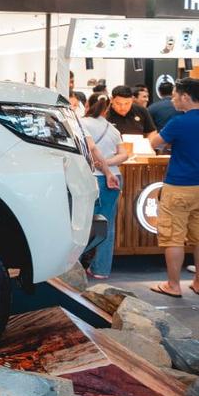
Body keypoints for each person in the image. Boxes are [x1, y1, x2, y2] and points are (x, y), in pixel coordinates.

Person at [148, 77, 199, 297]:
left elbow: (154, 143)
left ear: (186, 97)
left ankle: (173, 285)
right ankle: (198, 283)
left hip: (179, 185)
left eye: (176, 95)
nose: (173, 99)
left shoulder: (179, 122)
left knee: (173, 237)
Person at [80, 96, 128, 279]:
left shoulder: (82, 123)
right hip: (114, 177)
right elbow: (124, 155)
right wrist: (107, 165)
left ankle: (73, 267)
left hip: (93, 177)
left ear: (87, 105)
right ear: (107, 108)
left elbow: (91, 148)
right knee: (107, 224)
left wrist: (102, 166)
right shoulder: (113, 129)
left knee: (82, 222)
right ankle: (101, 269)